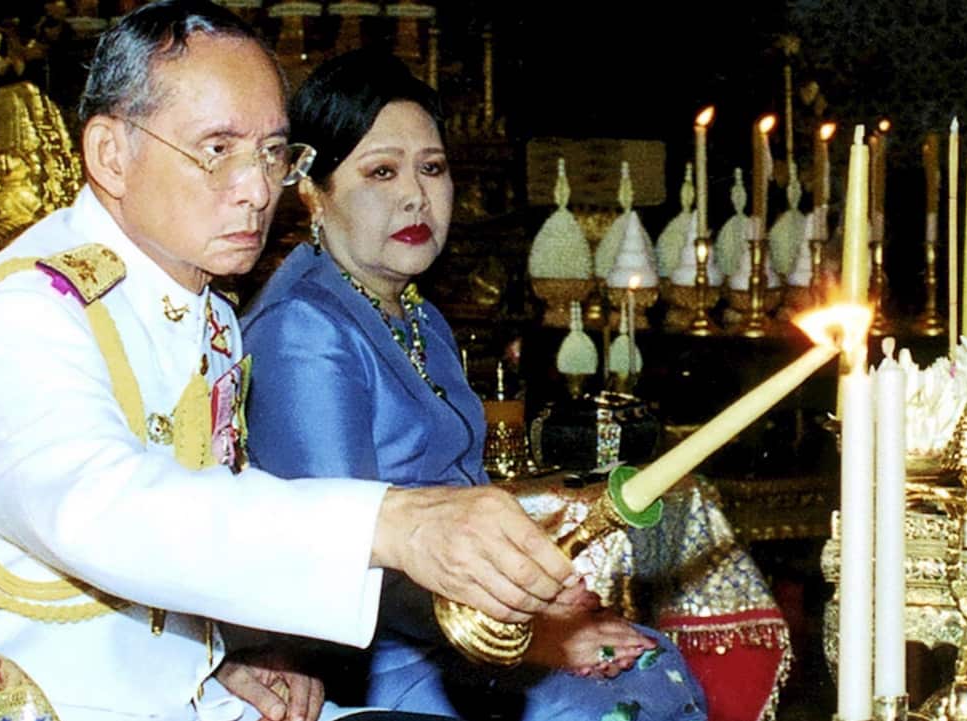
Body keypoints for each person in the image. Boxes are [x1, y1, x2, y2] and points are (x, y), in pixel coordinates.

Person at [0, 4, 579, 721]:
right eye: (217, 148)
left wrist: (238, 644)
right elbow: (105, 508)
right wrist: (391, 523)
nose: (256, 189)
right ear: (110, 155)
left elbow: (200, 535)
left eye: (274, 153)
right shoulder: (28, 310)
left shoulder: (208, 312)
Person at [240, 49, 708, 721]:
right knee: (617, 702)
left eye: (432, 168)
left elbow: (456, 487)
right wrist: (529, 634)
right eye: (381, 171)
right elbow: (342, 556)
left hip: (453, 621)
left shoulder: (416, 313)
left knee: (654, 659)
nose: (415, 195)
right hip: (375, 653)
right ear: (314, 188)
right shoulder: (304, 328)